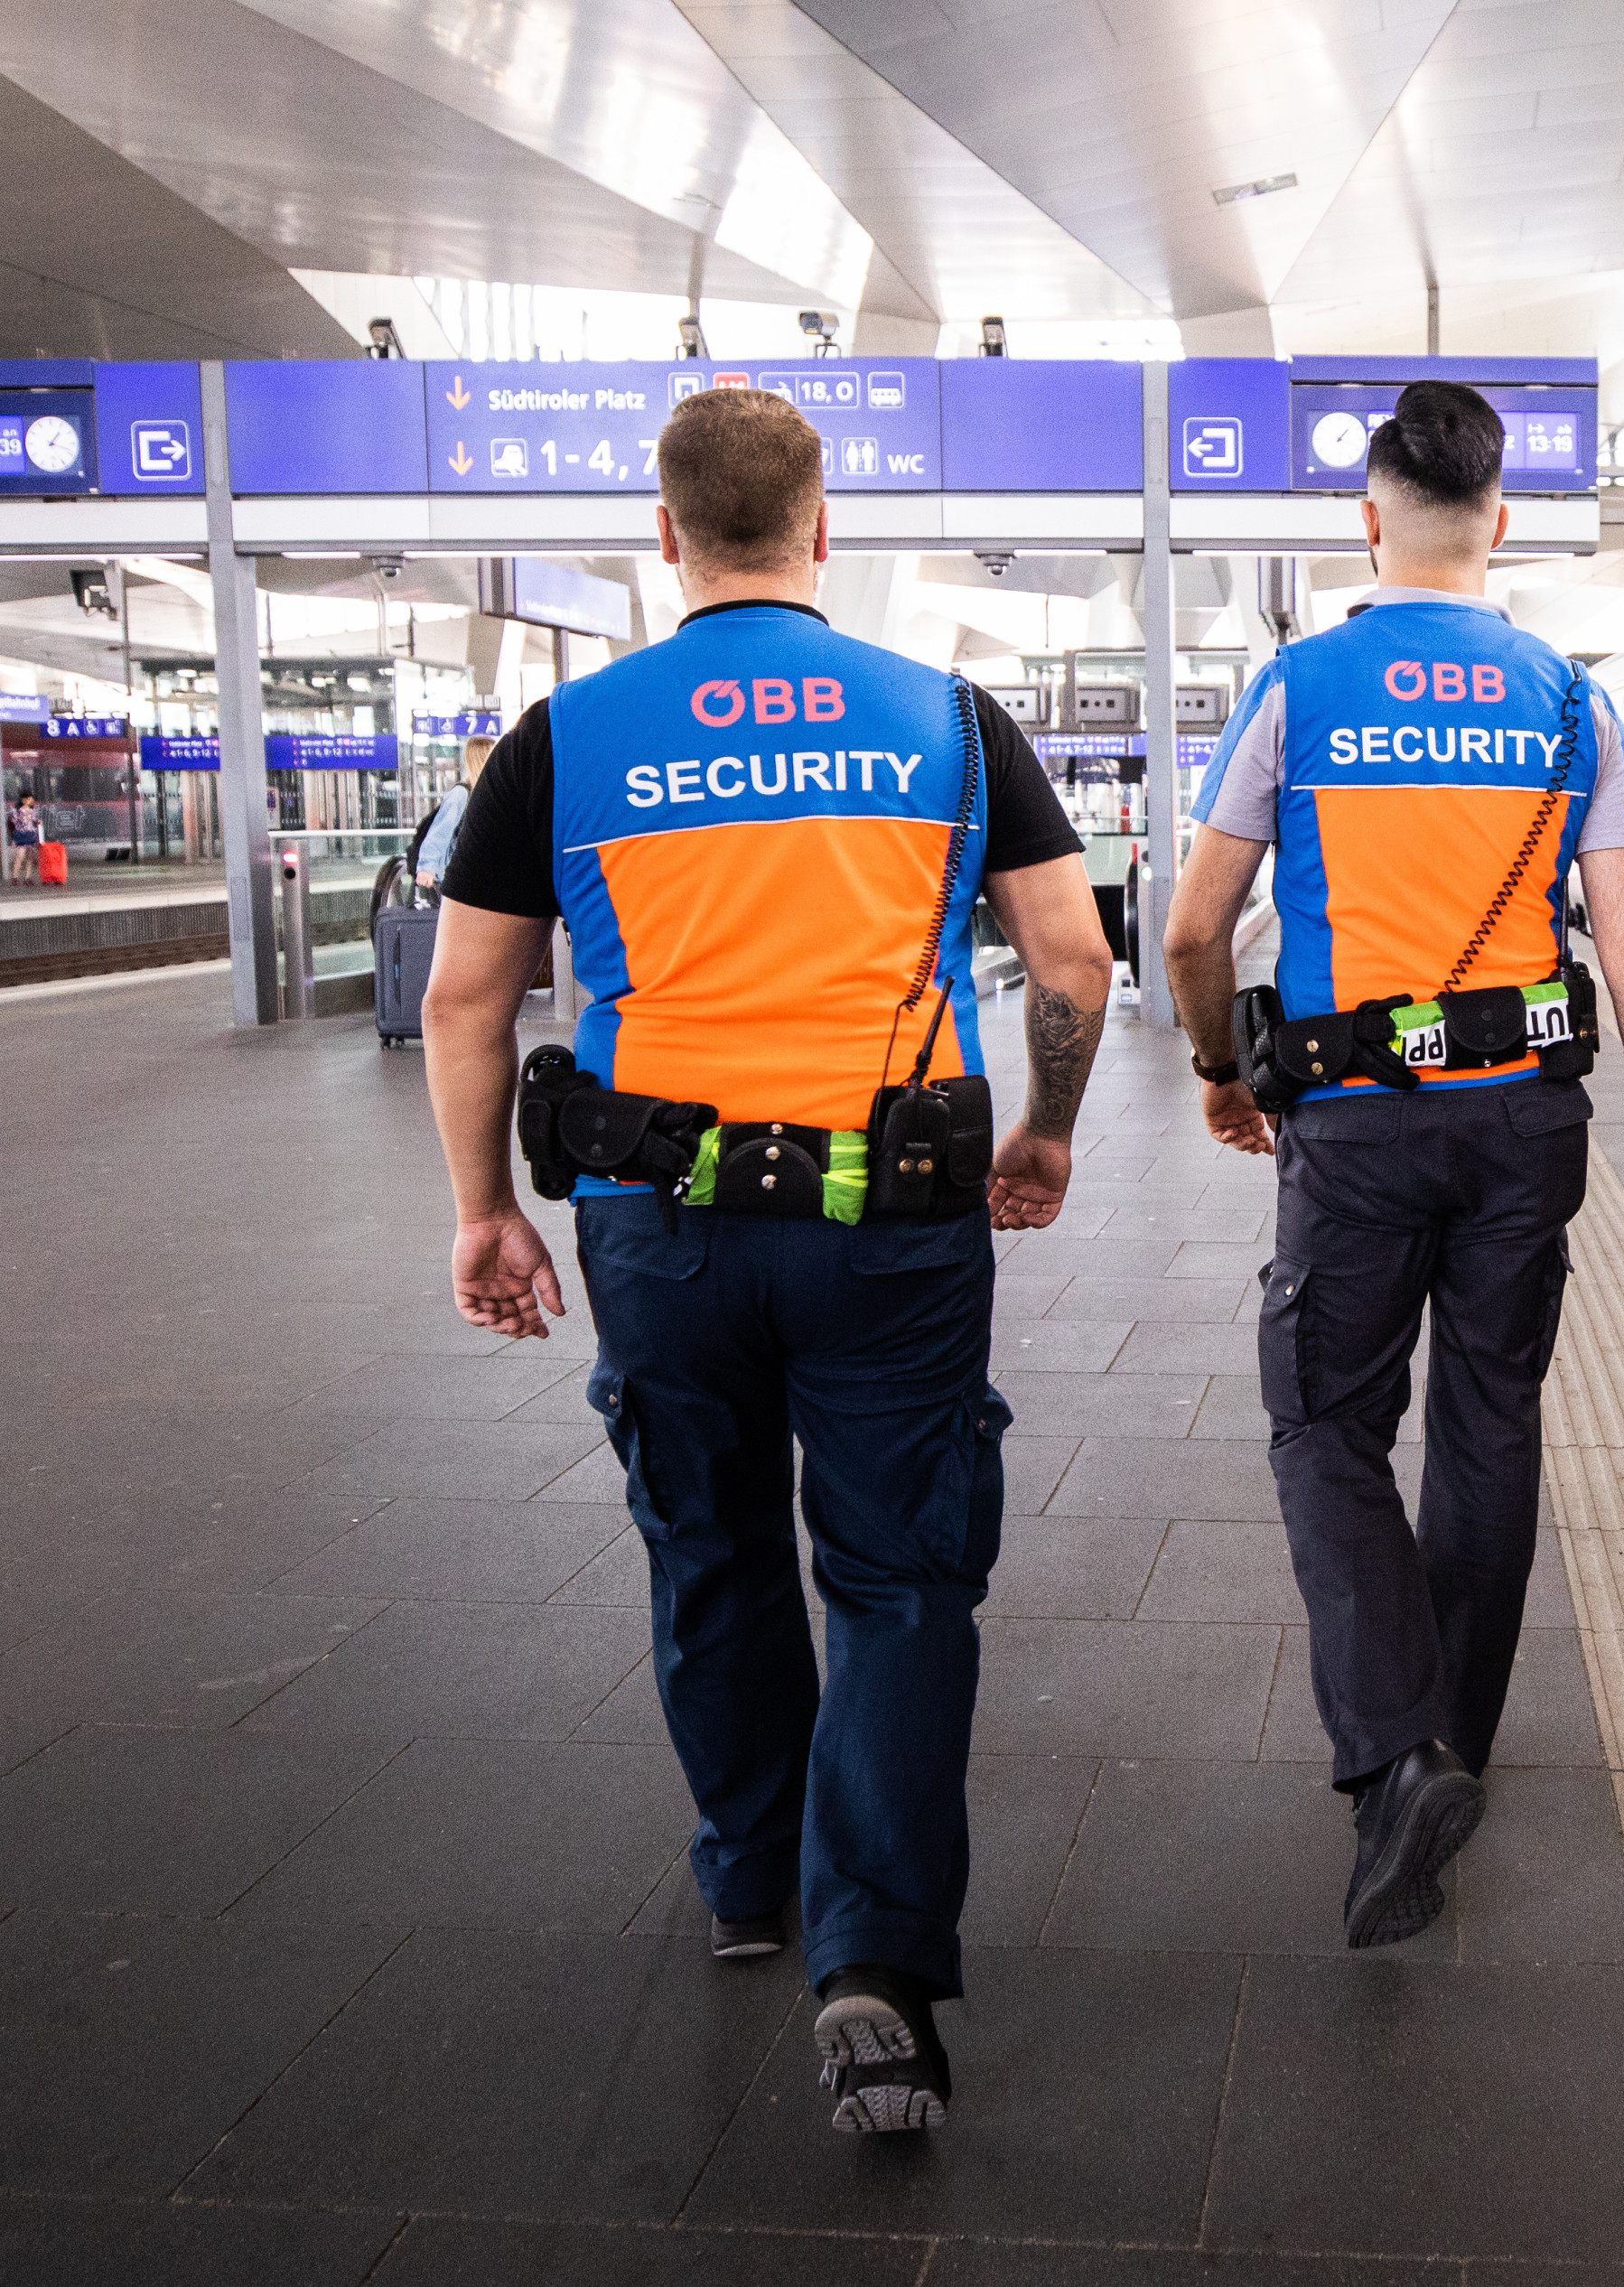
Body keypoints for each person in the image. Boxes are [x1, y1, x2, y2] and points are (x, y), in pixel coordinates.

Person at [419, 386, 1115, 2133]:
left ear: (665, 540)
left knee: (709, 1545)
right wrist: (1045, 1132)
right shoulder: (951, 725)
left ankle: (751, 1880)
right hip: (895, 1225)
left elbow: (464, 1000)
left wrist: (485, 1208)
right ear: (825, 531)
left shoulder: (564, 736)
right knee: (896, 1579)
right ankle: (874, 1956)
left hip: (659, 1224)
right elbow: (1076, 965)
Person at [1163, 380, 1624, 1949]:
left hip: (1350, 1124)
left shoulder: (1298, 686)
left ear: (1371, 518)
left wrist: (1221, 1067)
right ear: (1498, 526)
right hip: (1523, 1123)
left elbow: (1195, 927)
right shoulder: (1568, 699)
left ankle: (1395, 1747)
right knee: (1490, 1415)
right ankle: (1455, 1739)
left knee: (1327, 1422)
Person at [408, 731, 492, 897]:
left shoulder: (485, 795)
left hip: (475, 879)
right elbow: (440, 832)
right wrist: (427, 868)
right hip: (454, 880)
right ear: (483, 759)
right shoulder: (461, 794)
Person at [5, 790, 38, 885]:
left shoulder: (33, 810)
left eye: (32, 798)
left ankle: (28, 878)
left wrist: (38, 822)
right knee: (20, 856)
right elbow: (12, 822)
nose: (32, 800)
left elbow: (34, 821)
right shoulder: (16, 810)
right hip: (21, 836)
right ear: (24, 800)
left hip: (31, 835)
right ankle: (15, 877)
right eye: (29, 798)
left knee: (30, 857)